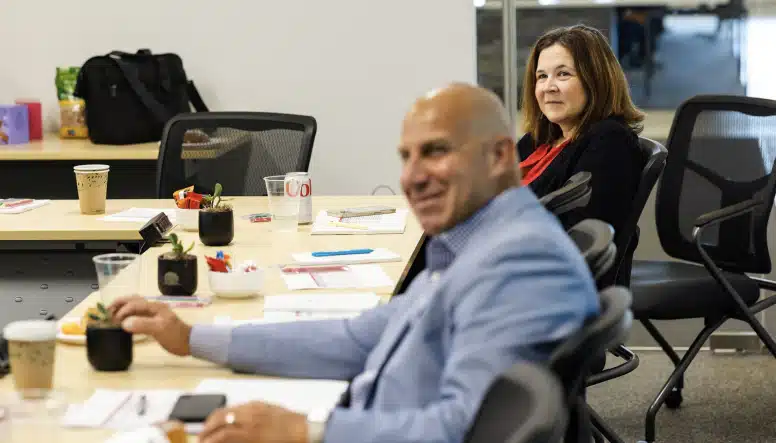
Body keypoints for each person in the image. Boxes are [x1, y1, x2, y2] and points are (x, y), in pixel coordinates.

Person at [110, 83, 600, 443]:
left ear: (498, 157)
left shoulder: (519, 261)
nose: (412, 177)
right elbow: (359, 339)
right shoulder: (476, 241)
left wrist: (307, 430)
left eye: (435, 152)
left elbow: (465, 430)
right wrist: (192, 337)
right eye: (406, 157)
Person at [517, 24, 646, 287]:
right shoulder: (538, 142)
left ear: (595, 80)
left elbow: (581, 239)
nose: (548, 87)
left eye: (562, 74)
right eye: (541, 77)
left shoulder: (610, 142)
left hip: (552, 287)